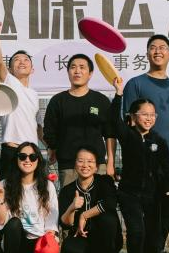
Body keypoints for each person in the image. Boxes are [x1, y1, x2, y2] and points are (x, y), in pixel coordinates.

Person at [121, 34, 169, 253]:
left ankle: (156, 251)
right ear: (147, 53)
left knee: (168, 210)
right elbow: (127, 122)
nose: (158, 51)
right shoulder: (135, 84)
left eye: (162, 47)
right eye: (153, 47)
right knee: (147, 212)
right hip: (146, 160)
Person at [109, 77, 169, 253]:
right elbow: (114, 121)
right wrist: (118, 94)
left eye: (152, 115)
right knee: (136, 231)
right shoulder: (127, 135)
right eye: (144, 114)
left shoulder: (159, 140)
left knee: (153, 233)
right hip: (129, 193)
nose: (149, 118)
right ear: (133, 117)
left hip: (153, 194)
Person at [0, 140, 60, 253]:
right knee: (14, 223)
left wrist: (48, 243)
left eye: (32, 157)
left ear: (38, 160)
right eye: (22, 156)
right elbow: (1, 221)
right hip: (16, 241)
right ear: (16, 159)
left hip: (39, 242)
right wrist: (0, 196)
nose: (27, 160)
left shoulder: (47, 186)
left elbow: (52, 219)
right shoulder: (4, 184)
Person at [43, 54, 115, 186]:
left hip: (97, 165)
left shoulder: (101, 100)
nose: (77, 71)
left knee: (99, 198)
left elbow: (110, 134)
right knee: (70, 199)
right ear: (68, 72)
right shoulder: (57, 101)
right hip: (68, 166)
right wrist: (52, 149)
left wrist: (110, 162)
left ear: (90, 73)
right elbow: (49, 130)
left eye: (82, 67)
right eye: (73, 67)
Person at [57, 146, 123, 253]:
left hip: (105, 238)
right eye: (80, 161)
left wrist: (85, 215)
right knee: (68, 248)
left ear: (96, 166)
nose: (85, 165)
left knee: (108, 218)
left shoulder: (105, 182)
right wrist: (72, 208)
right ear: (75, 164)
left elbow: (111, 203)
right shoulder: (67, 190)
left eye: (90, 161)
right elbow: (65, 224)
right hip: (82, 239)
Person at [0, 17, 41, 173]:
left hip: (32, 153)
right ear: (10, 70)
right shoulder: (9, 82)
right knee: (8, 188)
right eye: (17, 60)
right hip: (11, 150)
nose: (22, 62)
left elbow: (38, 126)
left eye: (26, 60)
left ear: (32, 69)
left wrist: (51, 148)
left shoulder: (34, 94)